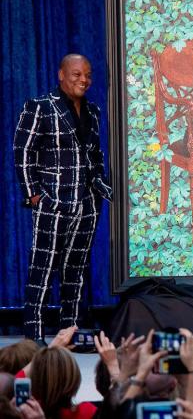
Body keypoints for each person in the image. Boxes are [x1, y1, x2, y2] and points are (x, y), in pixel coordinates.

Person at [13, 54, 112, 343]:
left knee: (76, 270)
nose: (84, 80)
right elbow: (22, 153)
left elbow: (95, 155)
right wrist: (34, 195)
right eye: (76, 74)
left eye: (88, 75)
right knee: (42, 268)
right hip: (52, 204)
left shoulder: (92, 111)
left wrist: (101, 190)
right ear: (61, 75)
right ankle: (34, 334)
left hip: (87, 204)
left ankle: (68, 330)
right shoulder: (40, 107)